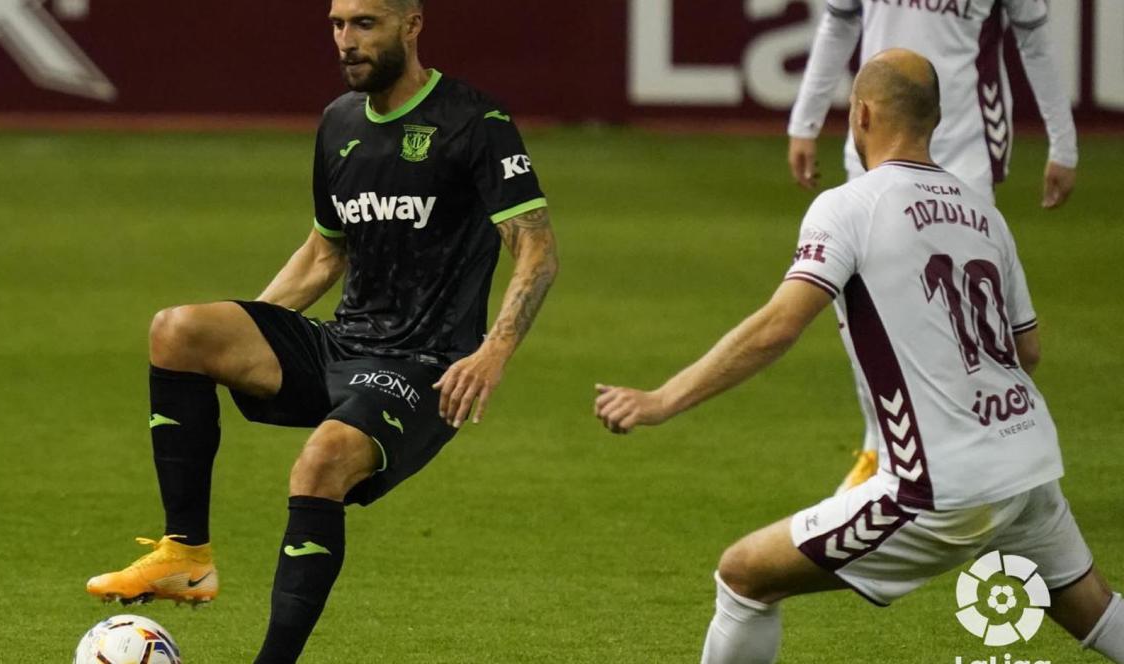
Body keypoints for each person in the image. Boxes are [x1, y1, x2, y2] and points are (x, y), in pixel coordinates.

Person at [596, 49, 1121, 664]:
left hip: (940, 489)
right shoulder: (984, 215)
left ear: (861, 114)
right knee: (1095, 609)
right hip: (1027, 460)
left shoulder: (850, 205)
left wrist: (661, 399)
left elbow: (777, 327)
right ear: (936, 119)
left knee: (744, 576)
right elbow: (1026, 349)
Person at [84, 1, 559, 661]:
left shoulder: (475, 122)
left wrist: (494, 349)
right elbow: (323, 254)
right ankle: (185, 555)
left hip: (425, 366)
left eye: (365, 23)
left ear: (411, 25)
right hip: (343, 343)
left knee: (321, 461)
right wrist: (250, 332)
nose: (346, 40)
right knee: (179, 330)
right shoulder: (339, 122)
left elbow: (536, 247)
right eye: (337, 24)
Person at [787, 0, 1080, 493]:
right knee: (864, 304)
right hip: (874, 144)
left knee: (968, 311)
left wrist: (1063, 142)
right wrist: (805, 120)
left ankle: (988, 444)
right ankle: (881, 447)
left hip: (965, 147)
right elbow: (839, 21)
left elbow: (1032, 32)